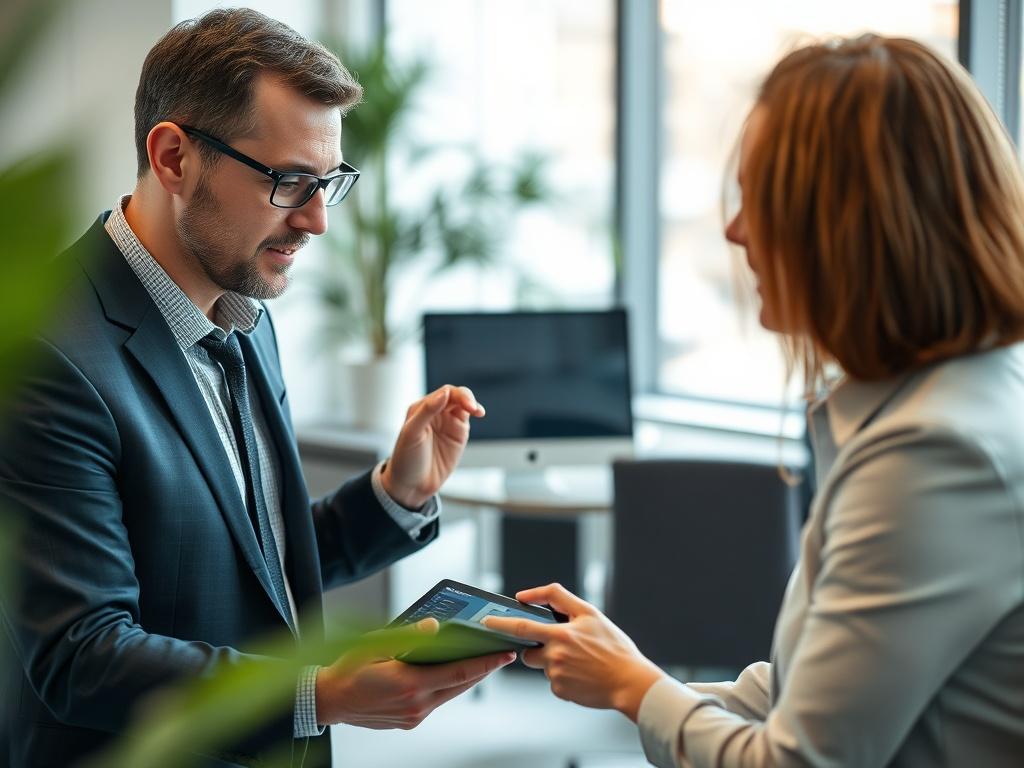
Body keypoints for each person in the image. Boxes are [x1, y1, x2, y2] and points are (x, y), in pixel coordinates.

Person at [485, 34, 1024, 767]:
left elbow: (799, 760)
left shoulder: (933, 454)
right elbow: (818, 688)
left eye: (761, 200)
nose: (736, 232)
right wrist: (631, 672)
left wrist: (637, 688)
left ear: (854, 224)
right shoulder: (939, 405)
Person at [0, 9, 515, 767]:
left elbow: (245, 558)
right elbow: (82, 655)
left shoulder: (241, 310)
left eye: (328, 182)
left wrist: (392, 497)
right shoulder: (50, 355)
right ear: (174, 157)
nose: (315, 220)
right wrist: (322, 691)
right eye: (288, 182)